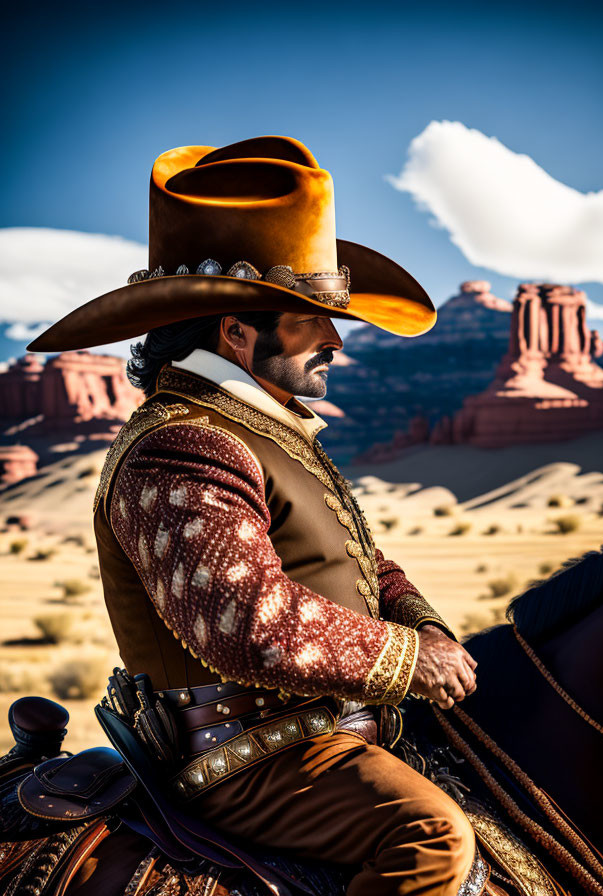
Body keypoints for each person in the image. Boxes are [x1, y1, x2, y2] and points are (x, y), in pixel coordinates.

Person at [29, 136, 479, 896]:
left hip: (326, 732)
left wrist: (426, 628)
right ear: (237, 332)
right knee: (431, 839)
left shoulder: (263, 433)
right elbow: (248, 625)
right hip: (249, 758)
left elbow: (365, 568)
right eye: (310, 318)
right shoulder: (182, 445)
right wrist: (408, 662)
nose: (336, 338)